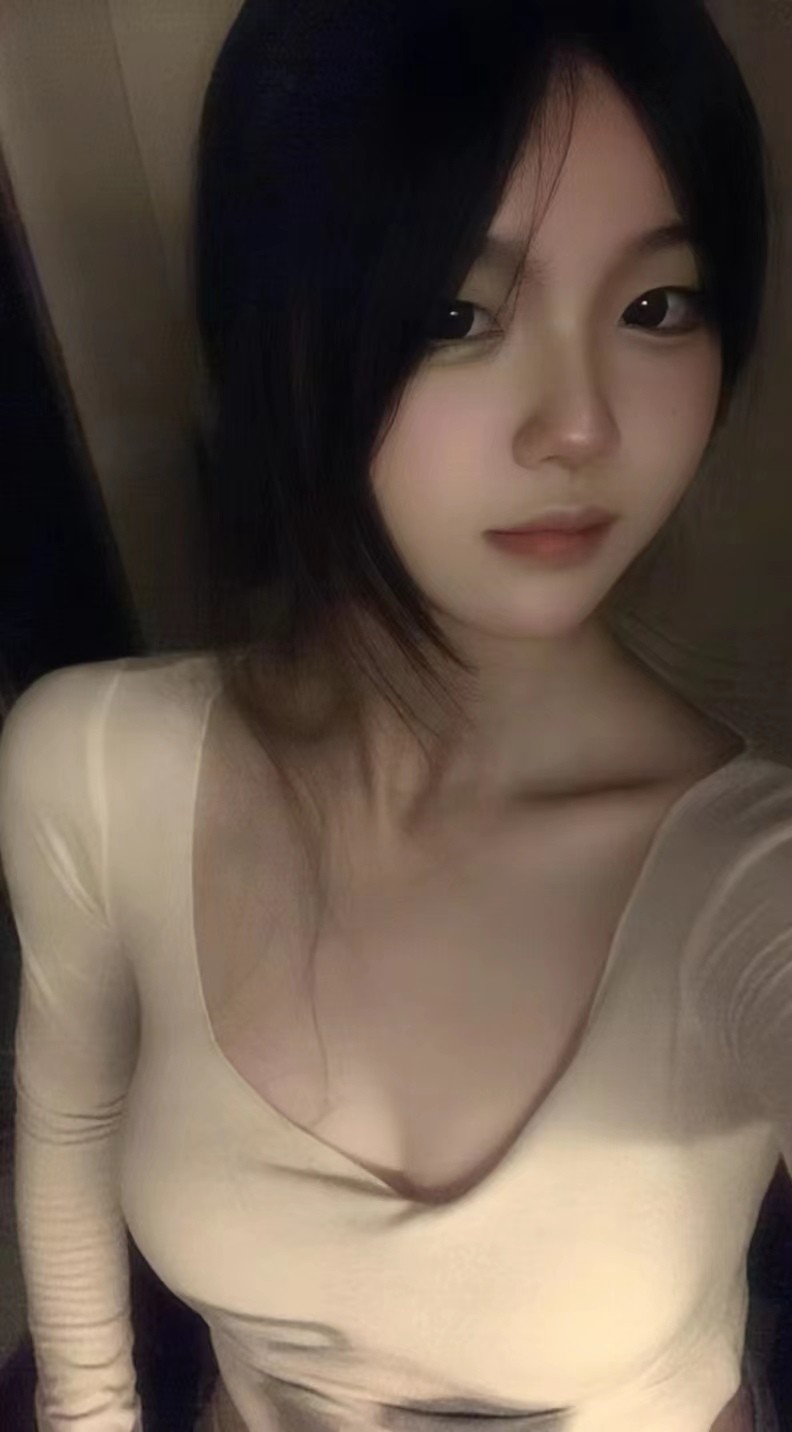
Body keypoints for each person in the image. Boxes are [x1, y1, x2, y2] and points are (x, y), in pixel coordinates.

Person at [0, 0, 789, 1428]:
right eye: (456, 315)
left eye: (656, 307)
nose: (581, 425)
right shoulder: (97, 770)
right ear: (278, 335)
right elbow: (70, 1119)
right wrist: (89, 1409)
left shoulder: (754, 879)